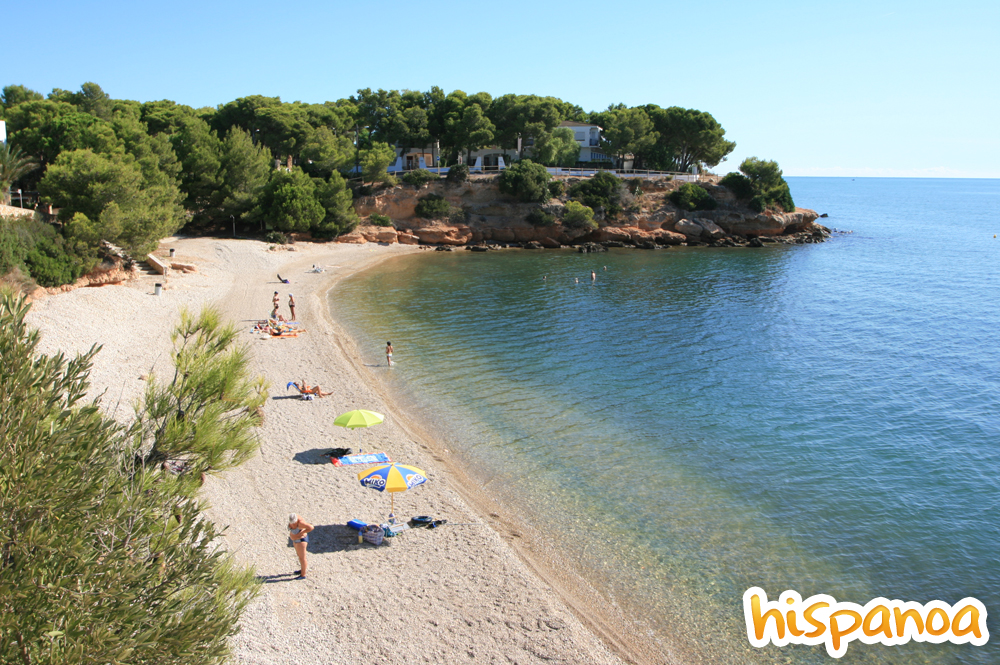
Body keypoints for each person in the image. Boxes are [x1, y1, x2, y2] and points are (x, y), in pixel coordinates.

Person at [287, 513, 314, 579]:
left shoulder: (301, 523)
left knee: (302, 558)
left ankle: (303, 575)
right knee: (299, 556)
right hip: (296, 540)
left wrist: (301, 533)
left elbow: (311, 527)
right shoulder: (294, 518)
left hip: (301, 541)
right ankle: (302, 569)